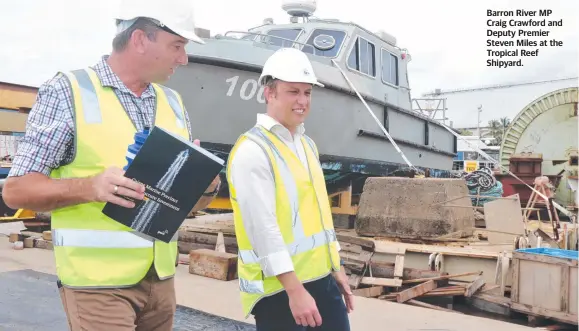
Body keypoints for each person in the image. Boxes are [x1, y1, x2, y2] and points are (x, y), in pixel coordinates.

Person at [1, 0, 220, 330]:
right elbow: (15, 191)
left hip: (161, 282)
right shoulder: (67, 91)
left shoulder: (173, 103)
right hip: (97, 285)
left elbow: (183, 206)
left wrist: (205, 186)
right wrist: (89, 187)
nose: (184, 59)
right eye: (177, 45)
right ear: (139, 40)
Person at [226, 47, 354, 331]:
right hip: (280, 291)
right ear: (269, 94)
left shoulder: (306, 145)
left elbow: (320, 216)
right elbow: (263, 229)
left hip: (321, 280)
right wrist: (295, 291)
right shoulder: (253, 150)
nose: (302, 101)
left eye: (307, 93)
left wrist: (336, 267)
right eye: (293, 92)